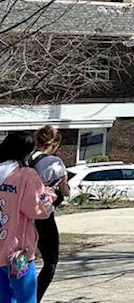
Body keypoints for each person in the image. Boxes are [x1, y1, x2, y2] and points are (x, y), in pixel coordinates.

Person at [0, 132, 55, 303]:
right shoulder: (26, 175)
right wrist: (49, 196)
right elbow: (37, 210)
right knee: (25, 298)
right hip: (17, 254)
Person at [29, 127, 68, 303]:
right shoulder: (55, 163)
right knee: (50, 261)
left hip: (23, 216)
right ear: (54, 143)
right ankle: (34, 298)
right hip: (44, 216)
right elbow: (65, 190)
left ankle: (20, 296)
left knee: (23, 258)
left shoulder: (26, 158)